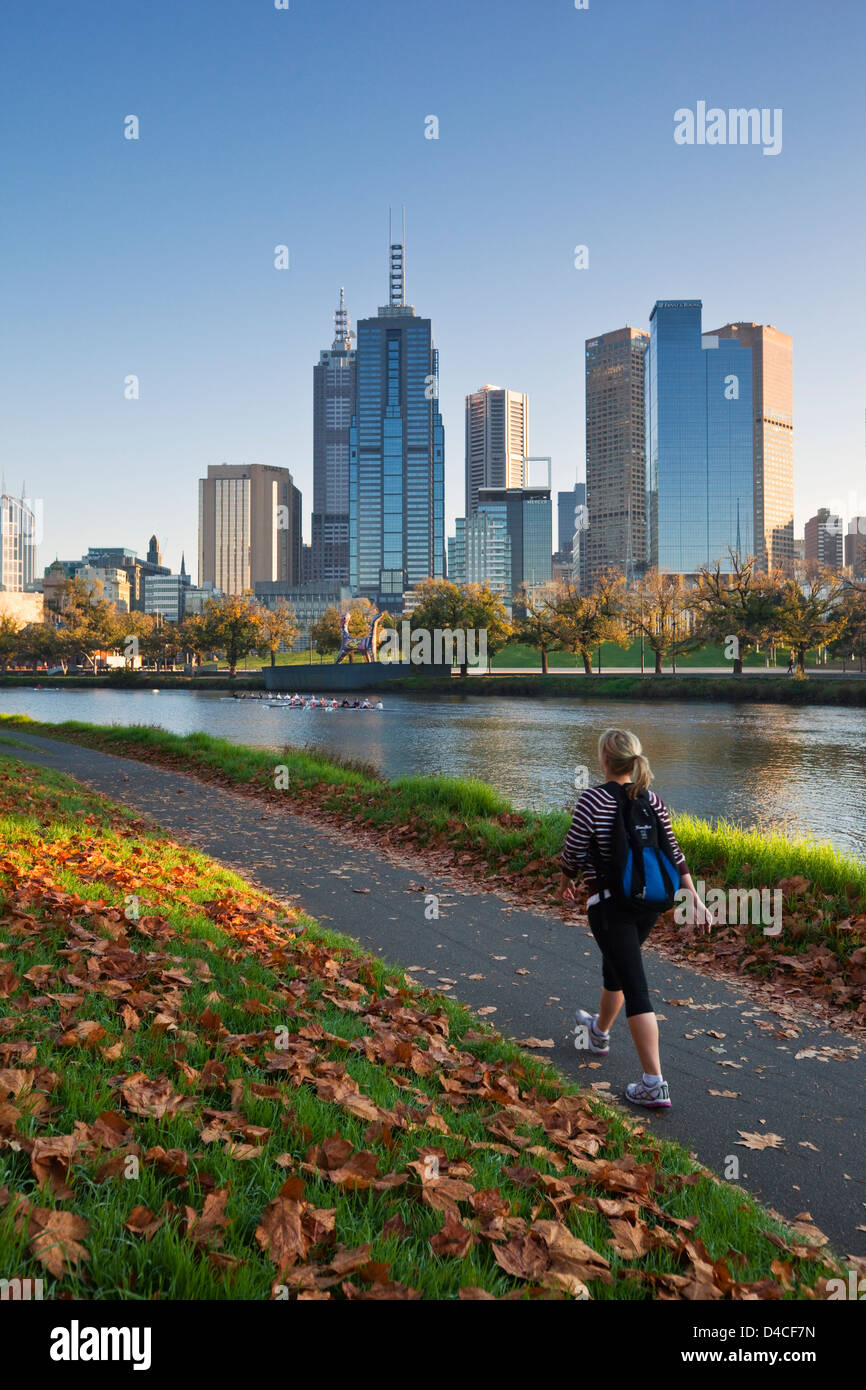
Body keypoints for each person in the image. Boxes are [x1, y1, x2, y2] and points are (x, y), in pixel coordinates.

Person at [559, 728, 712, 1110]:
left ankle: (653, 1084)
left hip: (609, 906)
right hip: (647, 906)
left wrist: (566, 880)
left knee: (635, 986)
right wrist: (692, 893)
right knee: (618, 969)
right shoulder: (653, 800)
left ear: (605, 761)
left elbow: (574, 852)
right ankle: (598, 1033)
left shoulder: (592, 800)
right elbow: (673, 850)